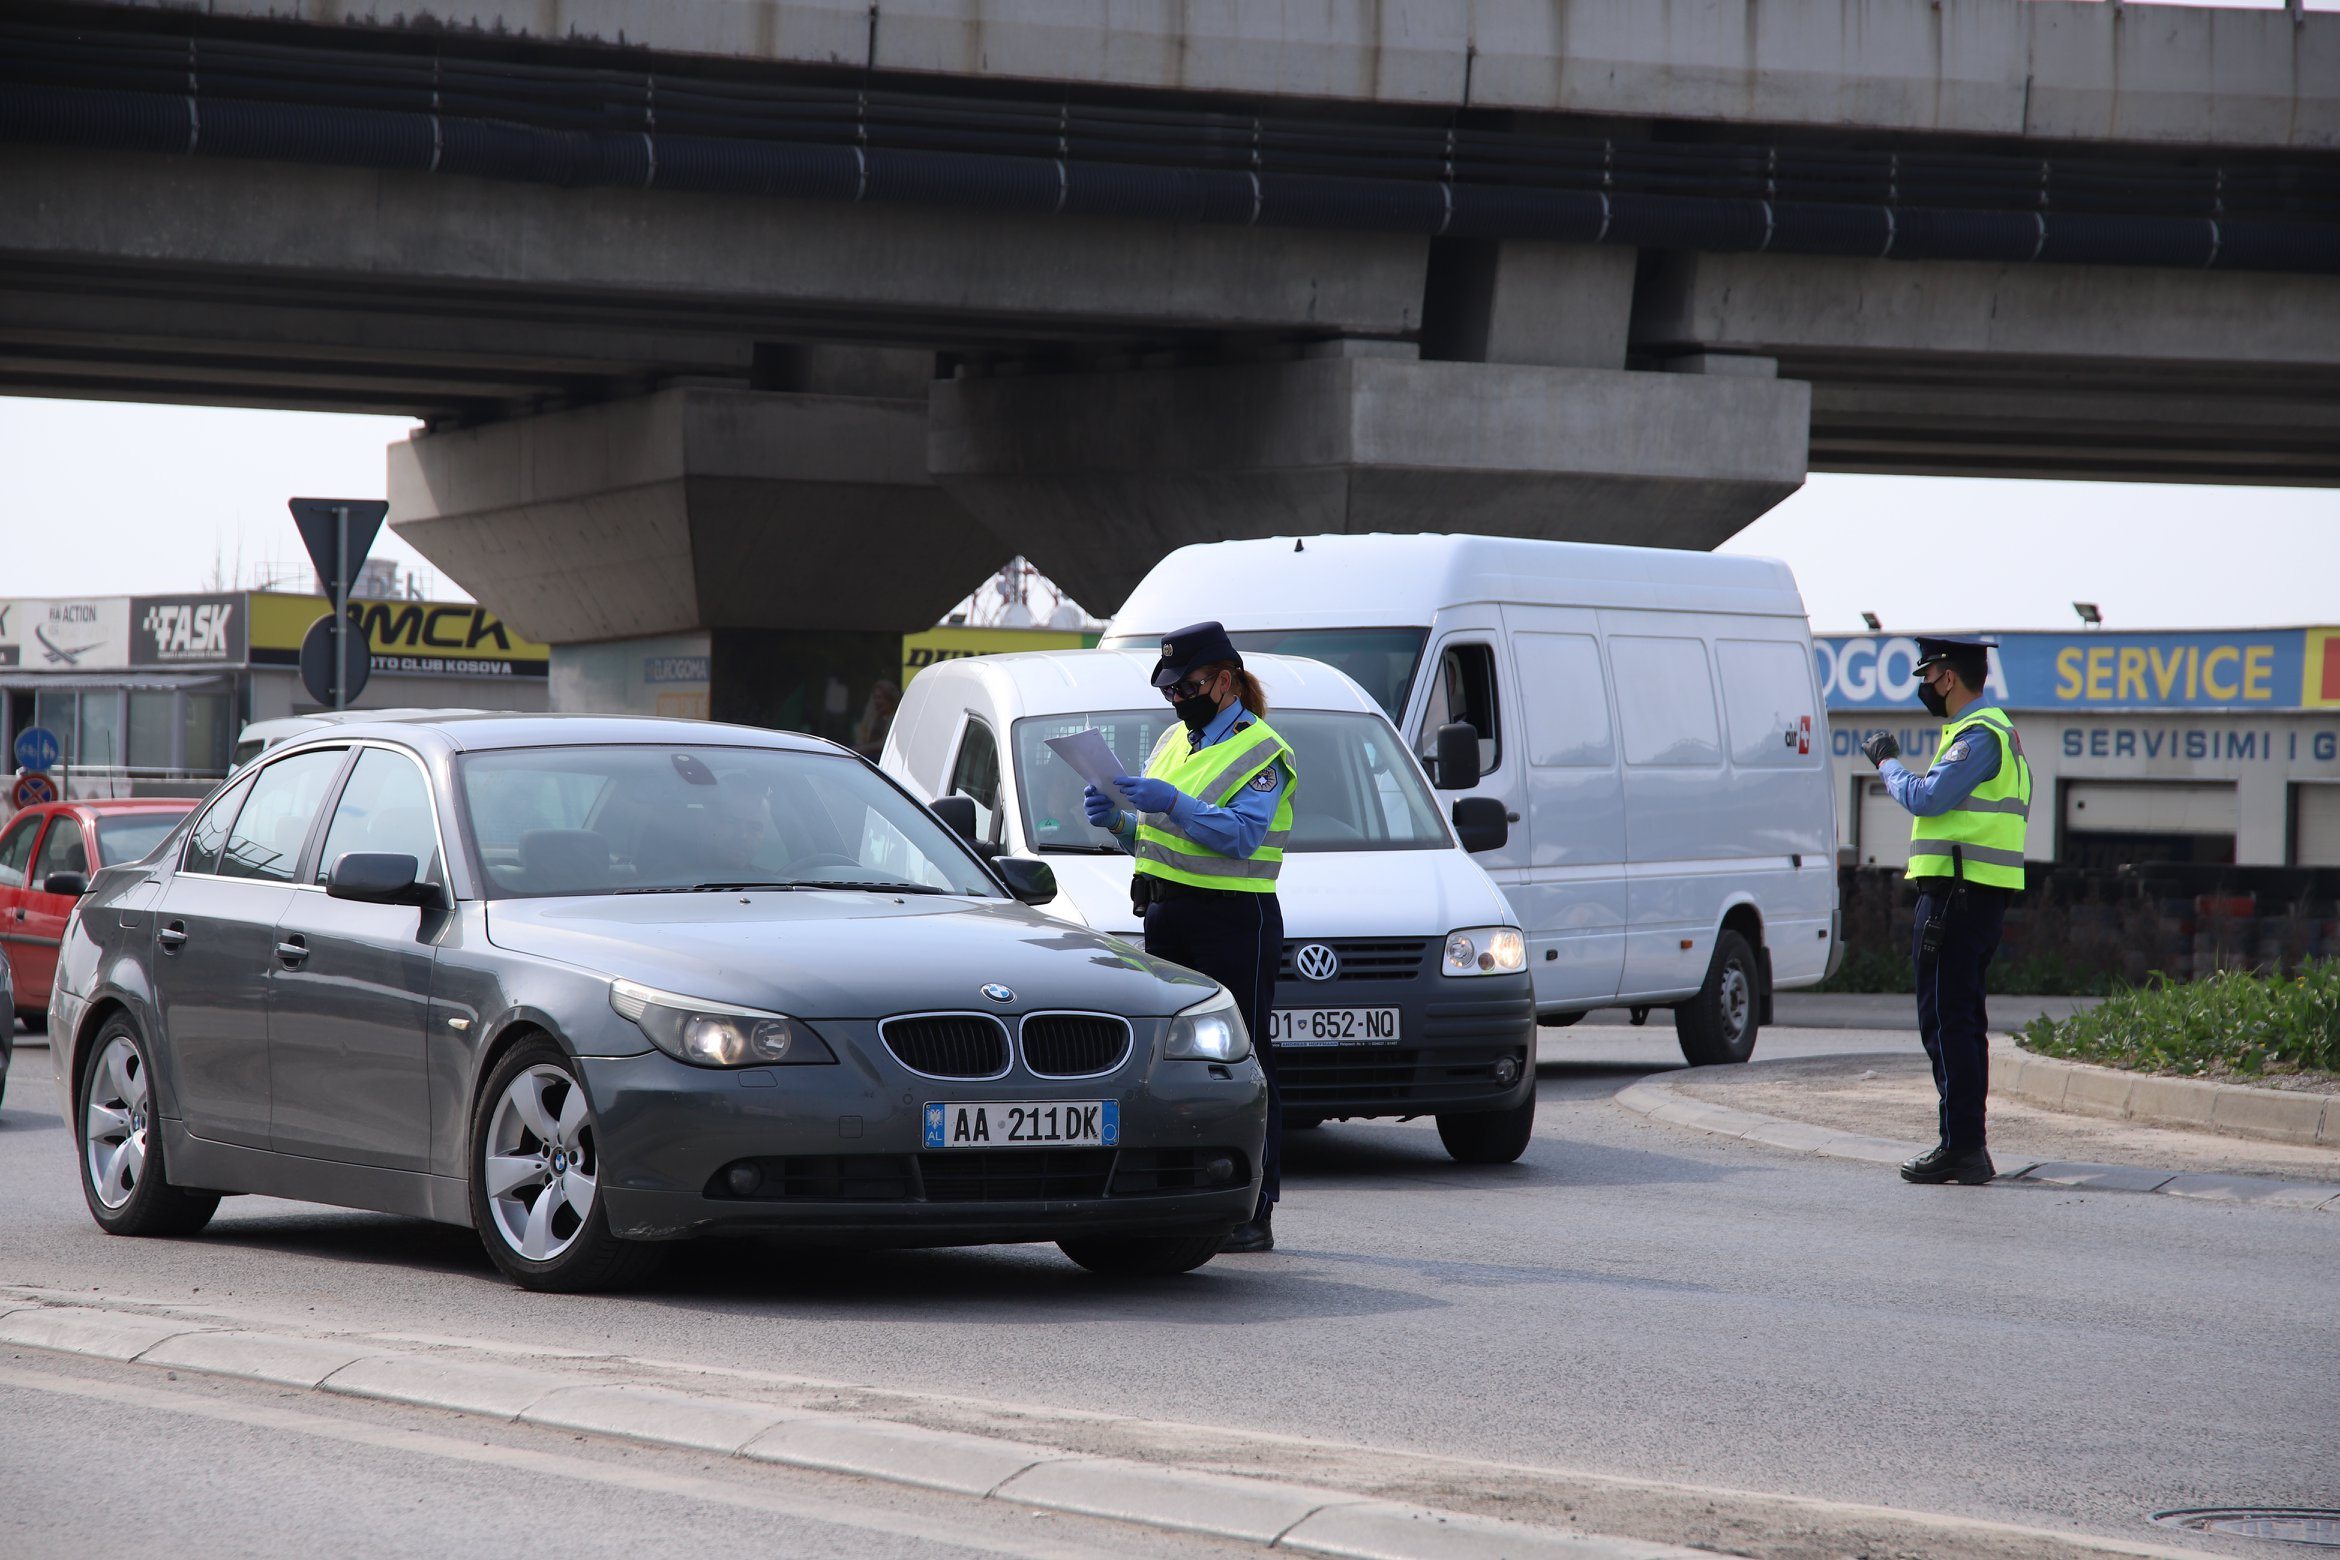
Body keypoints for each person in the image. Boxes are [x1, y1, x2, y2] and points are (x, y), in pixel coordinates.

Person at [1082, 621, 1296, 1253]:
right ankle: (1181, 1195)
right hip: (1169, 914)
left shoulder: (1263, 750)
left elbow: (1239, 837)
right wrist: (1121, 824)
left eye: (1189, 687)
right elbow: (1160, 839)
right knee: (1175, 1062)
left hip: (1234, 919)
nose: (1178, 700)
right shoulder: (1175, 741)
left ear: (1224, 681)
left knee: (1246, 1060)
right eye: (1170, 691)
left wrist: (1171, 801)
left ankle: (1256, 1207)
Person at [1860, 636, 2032, 1187]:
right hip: (1969, 896)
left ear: (1948, 677)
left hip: (1958, 899)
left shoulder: (1980, 735)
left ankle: (1962, 1147)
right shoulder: (1987, 732)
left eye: (1927, 676)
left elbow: (1926, 798)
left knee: (1946, 1022)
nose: (1924, 688)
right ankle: (1963, 1144)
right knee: (1956, 1021)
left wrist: (1887, 762)